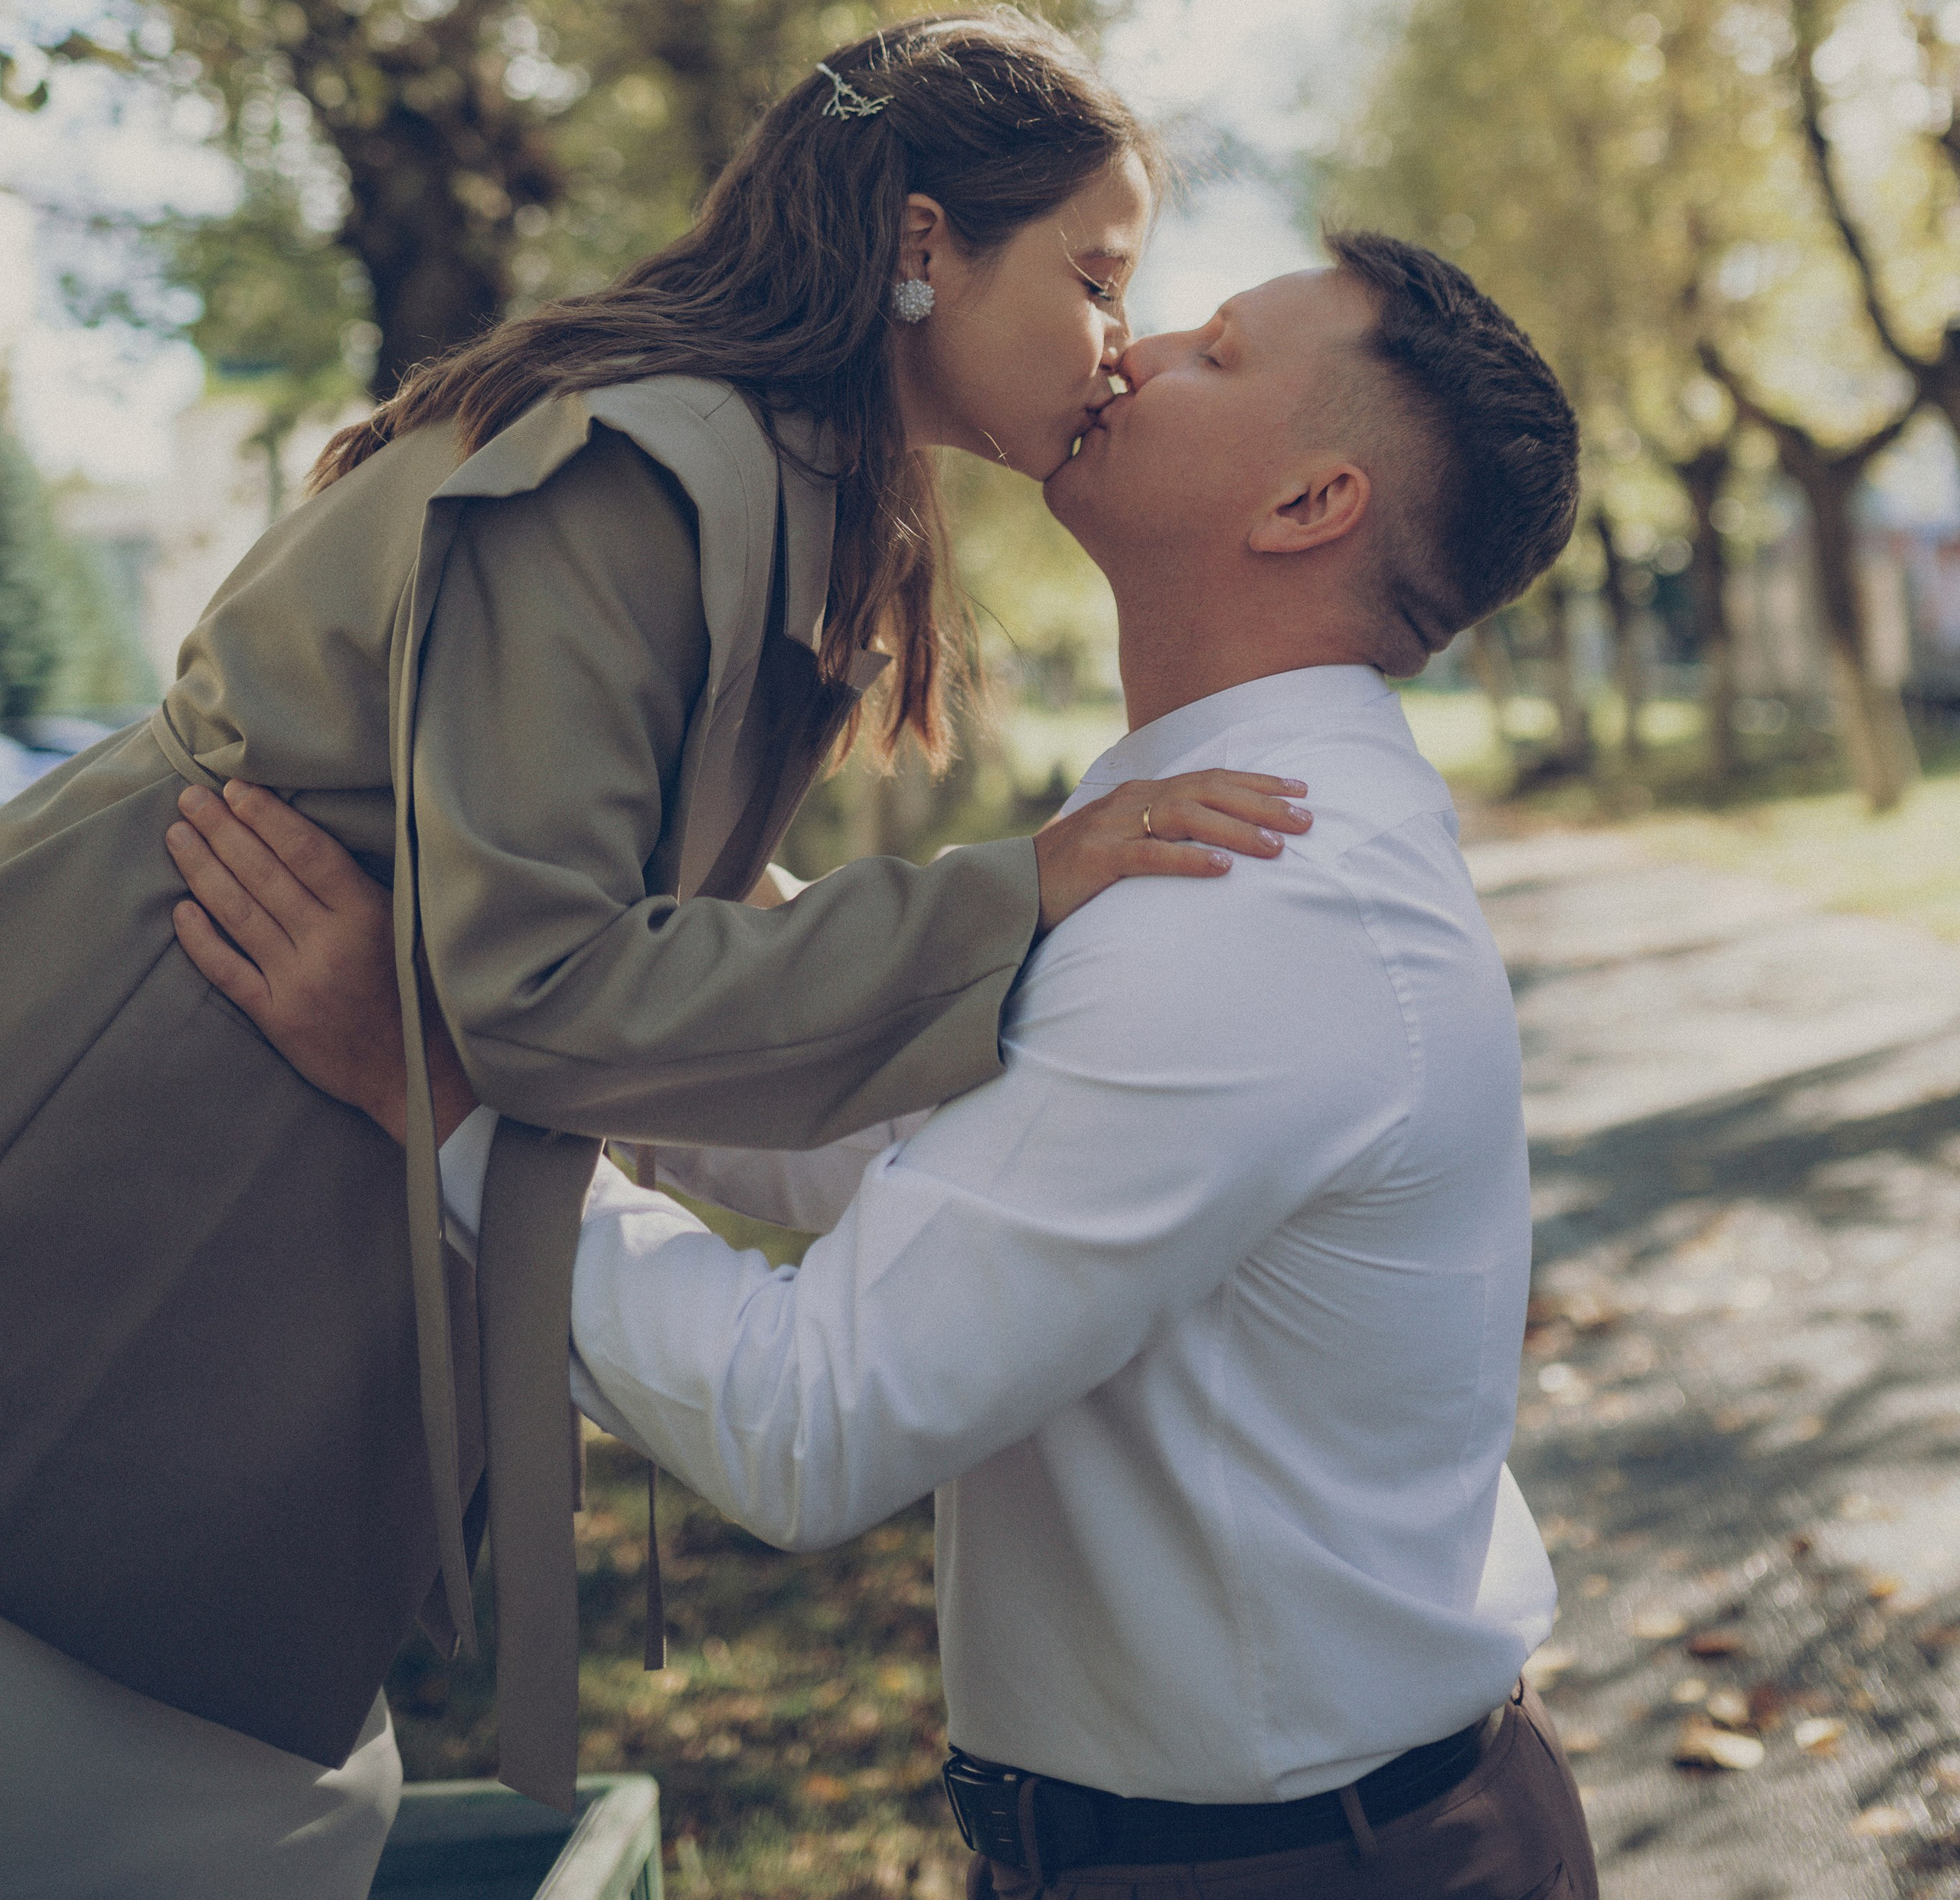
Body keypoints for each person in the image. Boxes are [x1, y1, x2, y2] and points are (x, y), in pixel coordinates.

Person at [0, 10, 1302, 1900]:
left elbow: (650, 895)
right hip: (151, 1092)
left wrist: (1045, 991)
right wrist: (1005, 894)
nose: (1122, 337)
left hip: (259, 1111)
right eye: (1096, 276)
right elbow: (537, 980)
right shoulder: (644, 464)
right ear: (923, 243)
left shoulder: (775, 466)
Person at [172, 232, 1600, 1900]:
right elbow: (918, 1168)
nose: (1130, 350)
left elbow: (814, 1416)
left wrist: (435, 1105)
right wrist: (614, 934)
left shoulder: (1260, 903)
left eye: (1216, 350)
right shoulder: (1208, 834)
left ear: (1308, 506)